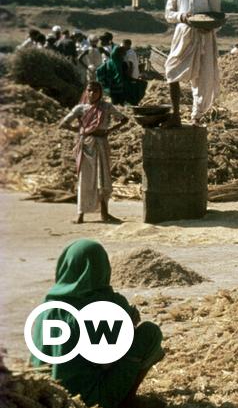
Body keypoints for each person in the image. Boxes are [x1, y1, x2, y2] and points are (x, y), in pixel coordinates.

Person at [30, 239, 164, 408]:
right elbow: (111, 355)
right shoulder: (108, 304)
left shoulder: (47, 306)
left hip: (46, 396)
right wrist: (128, 322)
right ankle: (126, 400)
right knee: (149, 334)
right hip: (87, 400)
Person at [164, 0, 222, 127]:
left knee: (203, 77)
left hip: (204, 36)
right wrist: (183, 17)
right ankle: (175, 114)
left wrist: (209, 26)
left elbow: (217, 16)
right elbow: (168, 14)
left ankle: (197, 116)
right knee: (171, 70)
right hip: (183, 34)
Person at [58, 82, 129, 224]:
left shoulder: (106, 107)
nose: (92, 94)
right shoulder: (80, 108)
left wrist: (109, 130)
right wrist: (81, 131)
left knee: (102, 179)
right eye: (90, 90)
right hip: (85, 146)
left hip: (101, 144)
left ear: (100, 93)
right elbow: (64, 123)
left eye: (96, 91)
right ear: (86, 91)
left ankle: (105, 213)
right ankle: (80, 215)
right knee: (85, 179)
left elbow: (124, 119)